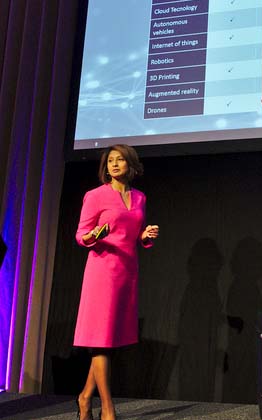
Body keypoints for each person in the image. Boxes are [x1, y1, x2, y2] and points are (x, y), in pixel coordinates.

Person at [73, 144, 159, 420]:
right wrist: (95, 235)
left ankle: (84, 398)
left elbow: (133, 235)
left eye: (120, 159)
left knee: (109, 341)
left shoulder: (140, 197)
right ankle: (108, 409)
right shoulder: (95, 196)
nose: (114, 164)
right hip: (102, 273)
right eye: (110, 160)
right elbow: (81, 235)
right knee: (100, 343)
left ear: (130, 164)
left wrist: (145, 236)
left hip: (127, 272)